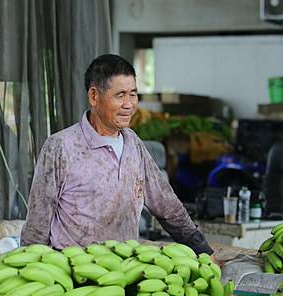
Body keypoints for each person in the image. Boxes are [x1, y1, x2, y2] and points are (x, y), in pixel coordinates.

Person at [21, 54, 213, 255]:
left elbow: (167, 206)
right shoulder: (60, 147)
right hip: (72, 272)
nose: (129, 104)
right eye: (120, 95)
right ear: (94, 96)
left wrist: (203, 250)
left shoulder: (133, 144)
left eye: (133, 94)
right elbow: (38, 223)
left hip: (122, 272)